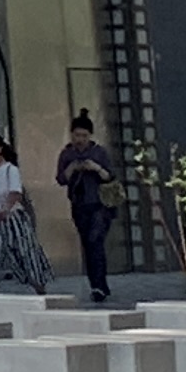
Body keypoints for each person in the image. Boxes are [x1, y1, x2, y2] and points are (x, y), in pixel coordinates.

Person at [56, 112, 120, 306]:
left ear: (90, 135)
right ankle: (97, 284)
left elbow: (111, 176)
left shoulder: (99, 153)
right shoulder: (67, 154)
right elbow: (60, 179)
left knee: (95, 240)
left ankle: (99, 285)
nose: (80, 140)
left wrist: (95, 168)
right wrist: (73, 168)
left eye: (84, 136)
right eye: (77, 135)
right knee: (88, 244)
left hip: (100, 205)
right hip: (79, 204)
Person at [0, 132, 49, 293]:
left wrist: (5, 209)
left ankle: (39, 286)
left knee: (25, 254)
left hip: (12, 219)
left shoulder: (10, 169)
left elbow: (15, 193)